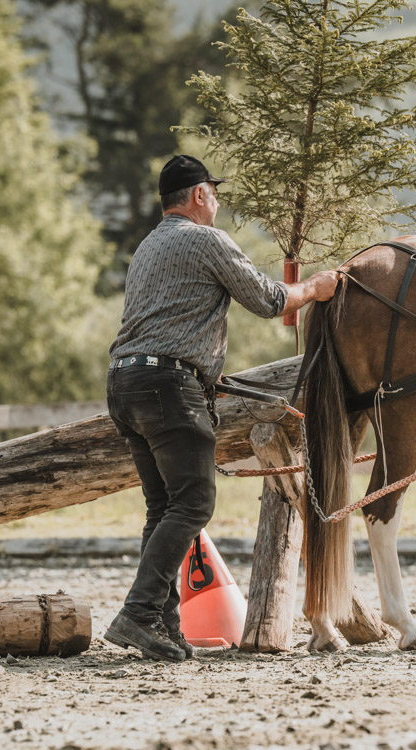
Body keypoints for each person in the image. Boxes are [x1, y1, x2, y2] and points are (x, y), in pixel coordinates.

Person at [103, 154, 339, 662]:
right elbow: (269, 300)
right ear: (198, 195)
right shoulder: (205, 240)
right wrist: (316, 288)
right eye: (214, 190)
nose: (219, 199)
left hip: (125, 382)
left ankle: (160, 627)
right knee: (194, 504)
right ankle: (138, 613)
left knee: (163, 507)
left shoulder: (147, 248)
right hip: (168, 384)